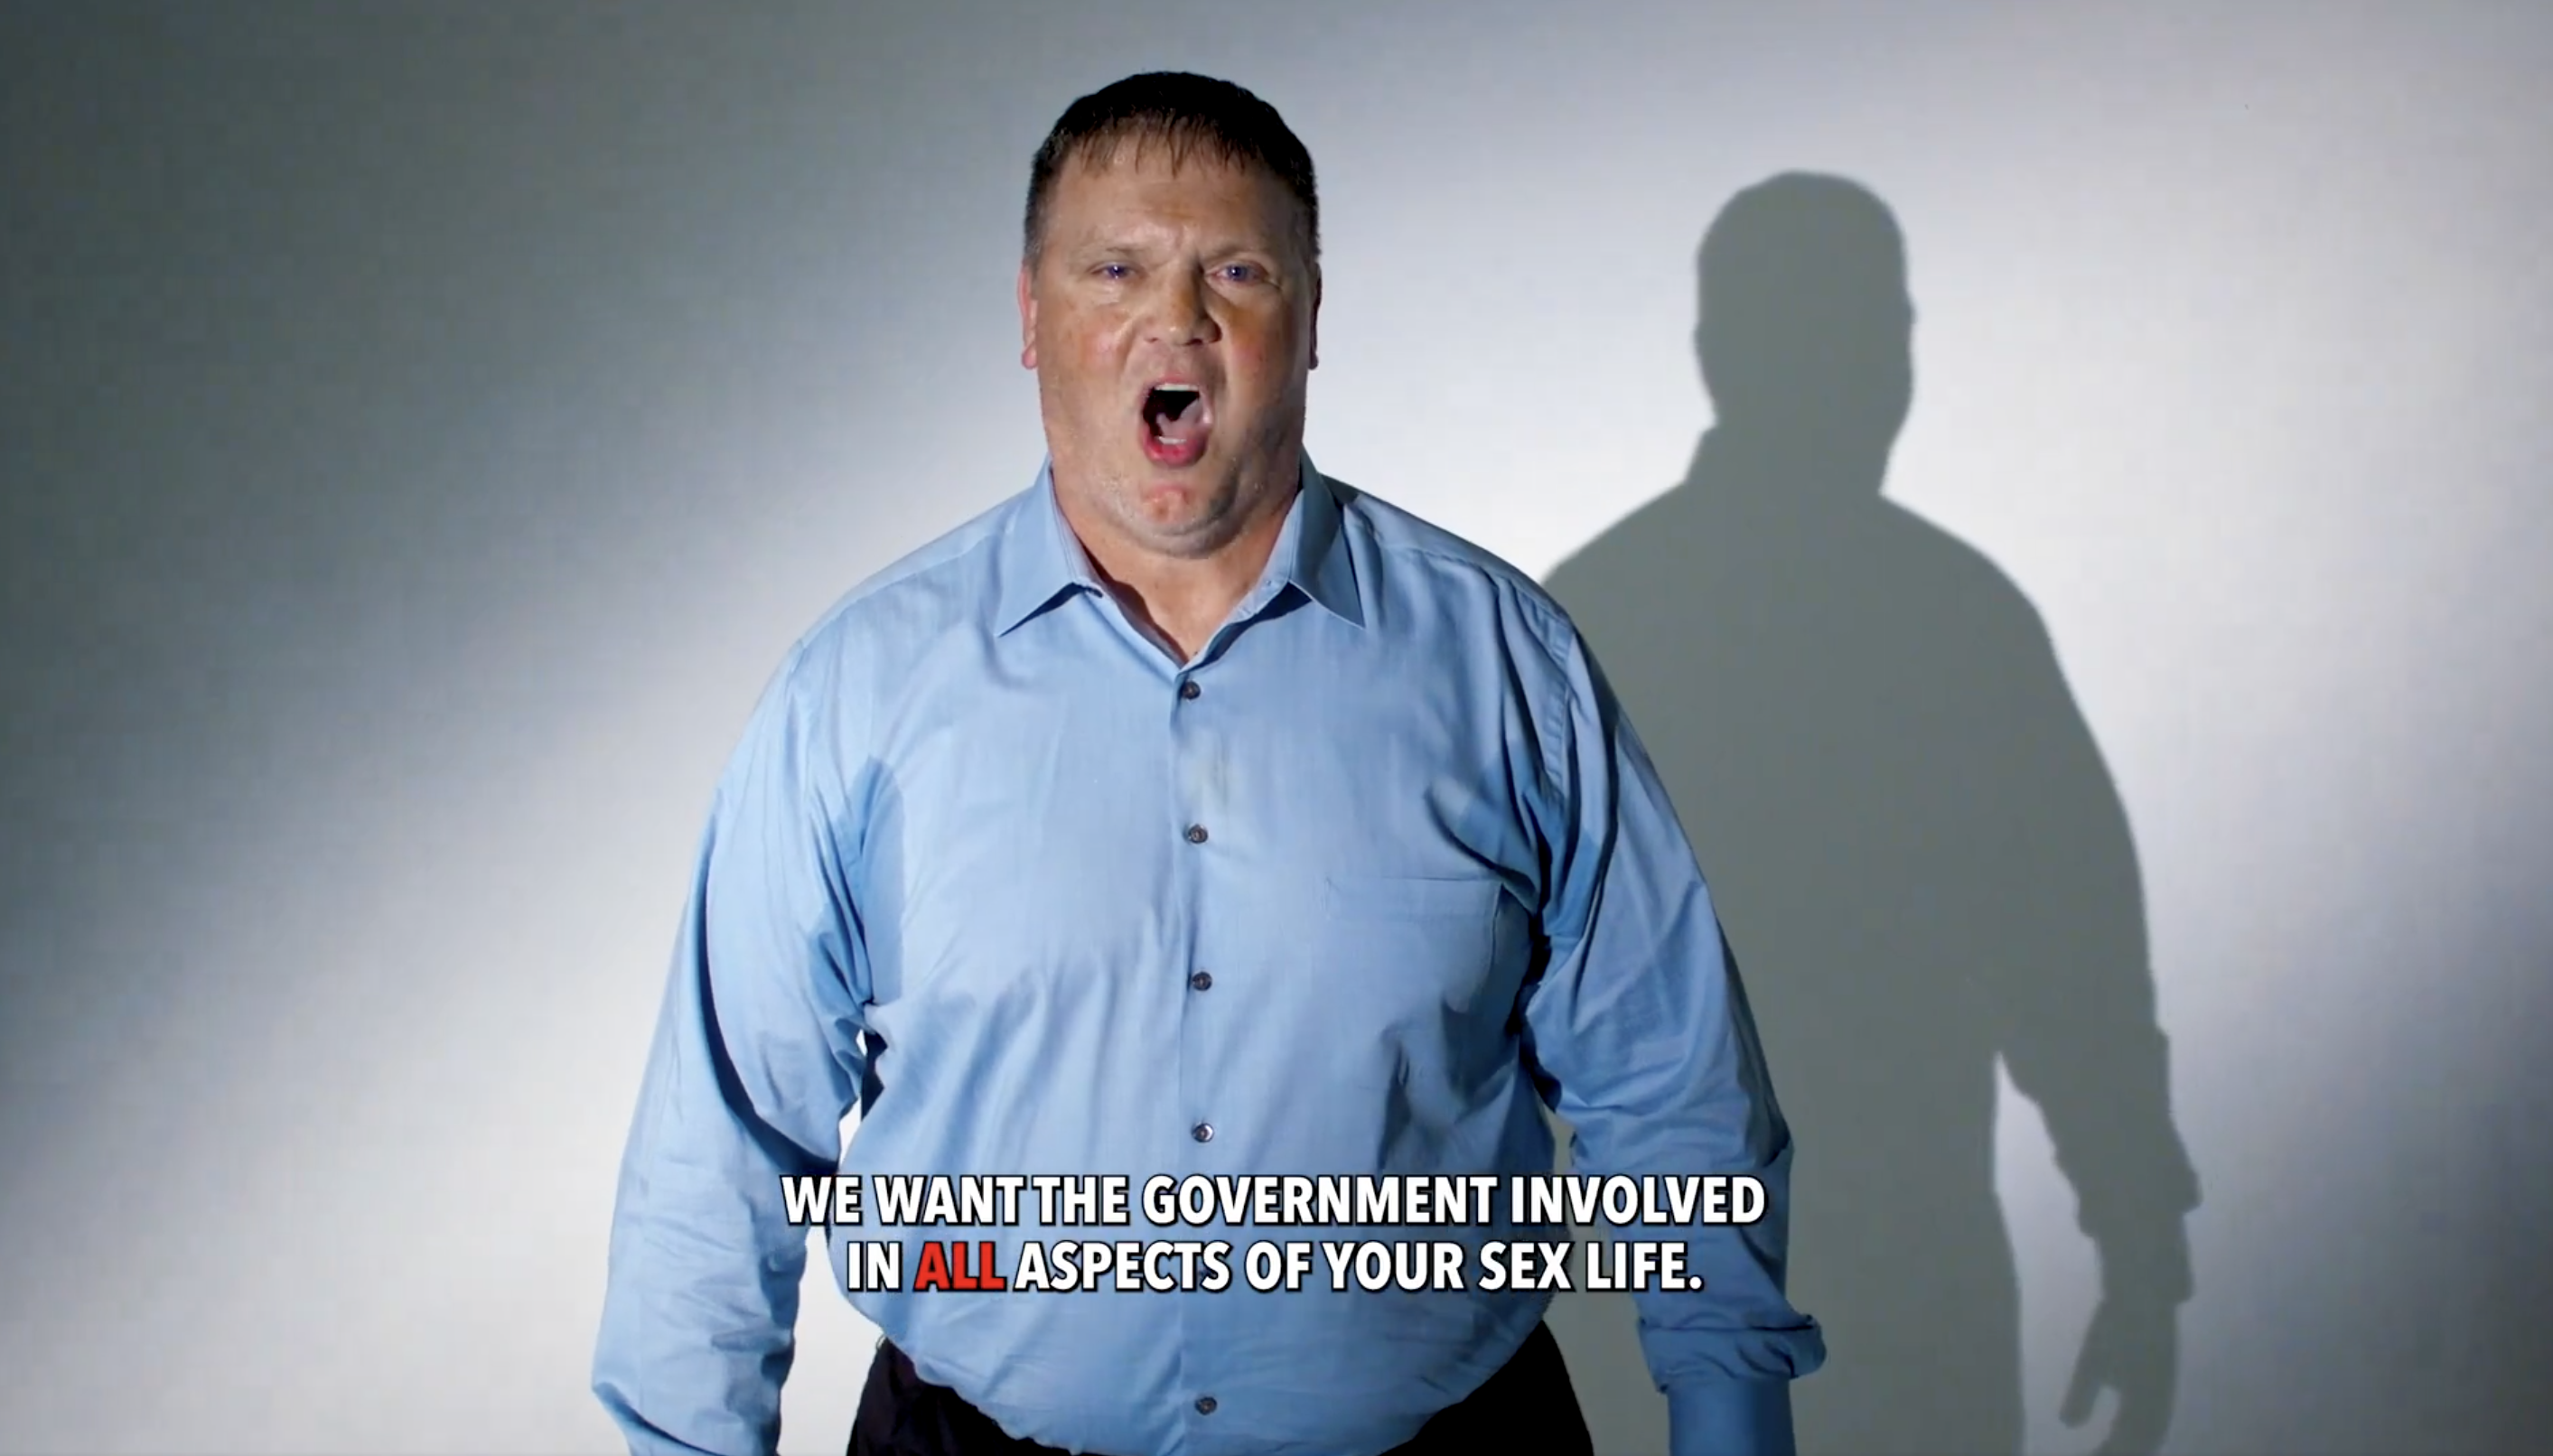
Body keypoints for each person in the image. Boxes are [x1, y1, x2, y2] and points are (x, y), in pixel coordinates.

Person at [592, 70, 1823, 1456]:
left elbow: (1673, 1091)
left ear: (1308, 318)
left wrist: (1730, 1424)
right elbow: (721, 1156)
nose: (1174, 320)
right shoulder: (859, 694)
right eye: (1114, 268)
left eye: (1233, 271)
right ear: (1029, 315)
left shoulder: (1504, 668)